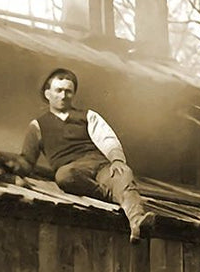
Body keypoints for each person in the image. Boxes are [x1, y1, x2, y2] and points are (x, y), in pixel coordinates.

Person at [18, 68, 156, 242]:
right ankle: (113, 195)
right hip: (73, 169)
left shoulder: (88, 116)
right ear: (48, 94)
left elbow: (107, 138)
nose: (63, 95)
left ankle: (137, 223)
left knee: (124, 174)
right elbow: (27, 160)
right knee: (64, 176)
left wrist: (117, 159)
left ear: (74, 94)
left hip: (100, 165)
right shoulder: (37, 126)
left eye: (68, 91)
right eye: (58, 90)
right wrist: (13, 165)